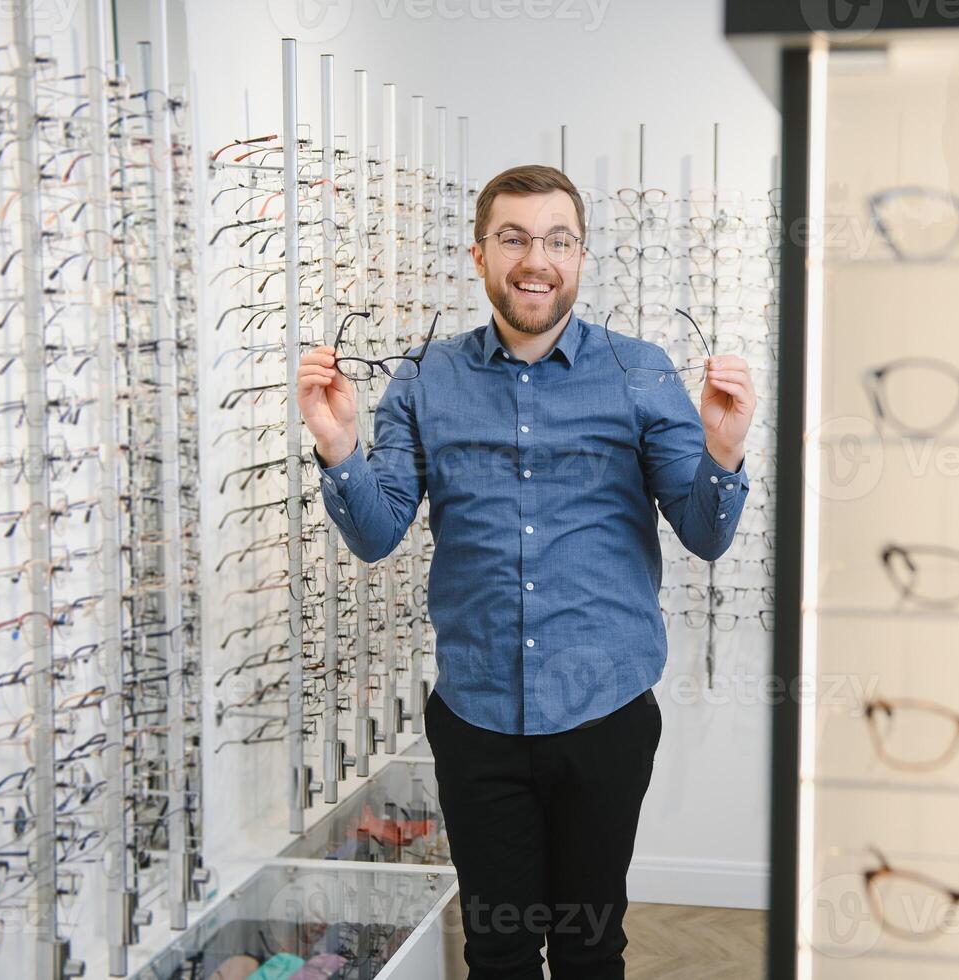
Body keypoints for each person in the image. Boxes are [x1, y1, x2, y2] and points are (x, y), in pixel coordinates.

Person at [295, 164, 758, 979]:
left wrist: (722, 452)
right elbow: (375, 533)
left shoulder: (640, 371)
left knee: (589, 947)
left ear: (579, 256)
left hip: (605, 718)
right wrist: (338, 447)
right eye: (512, 238)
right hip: (477, 722)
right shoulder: (427, 378)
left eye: (556, 239)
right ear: (479, 256)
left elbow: (705, 534)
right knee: (498, 949)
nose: (534, 258)